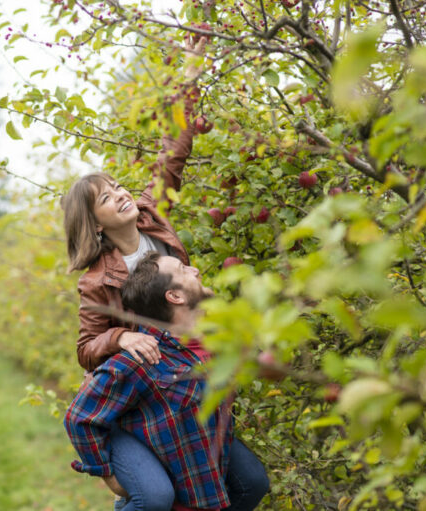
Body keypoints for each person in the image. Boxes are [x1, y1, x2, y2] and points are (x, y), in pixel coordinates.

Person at [62, 39, 207, 509]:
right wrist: (121, 339)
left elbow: (174, 149)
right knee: (155, 497)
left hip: (175, 385)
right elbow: (86, 351)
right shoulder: (96, 281)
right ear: (96, 222)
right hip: (127, 401)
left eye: (118, 186)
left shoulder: (153, 217)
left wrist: (189, 73)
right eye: (106, 198)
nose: (122, 195)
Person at [64, 252, 270, 511]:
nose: (195, 270)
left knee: (253, 482)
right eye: (184, 269)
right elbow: (78, 417)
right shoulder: (143, 358)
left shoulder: (218, 338)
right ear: (175, 296)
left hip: (195, 459)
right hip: (158, 467)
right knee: (154, 500)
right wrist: (107, 474)